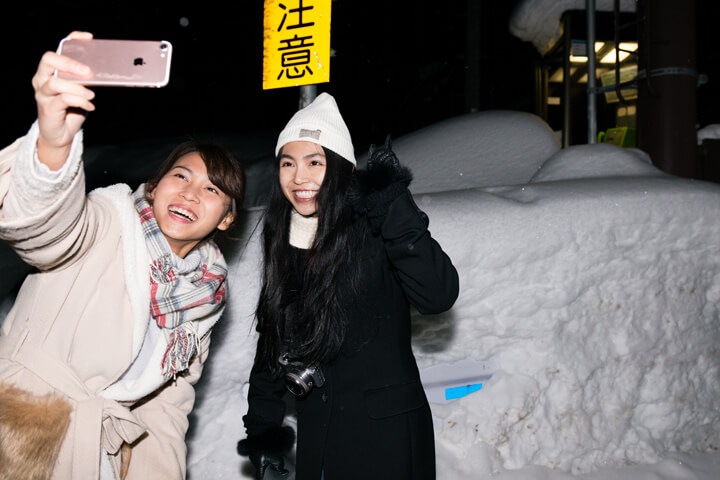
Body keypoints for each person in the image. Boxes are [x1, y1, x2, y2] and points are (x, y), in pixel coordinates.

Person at [0, 32, 246, 479]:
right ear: (155, 186)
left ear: (226, 218)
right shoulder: (108, 222)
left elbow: (167, 407)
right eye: (181, 176)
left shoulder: (203, 294)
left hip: (96, 460)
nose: (191, 193)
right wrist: (53, 149)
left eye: (213, 190)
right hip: (16, 434)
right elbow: (47, 230)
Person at [236, 92, 459, 479]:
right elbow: (272, 346)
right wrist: (264, 433)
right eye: (287, 163)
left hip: (386, 441)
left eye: (314, 162)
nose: (299, 177)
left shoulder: (373, 226)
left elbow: (438, 294)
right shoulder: (284, 239)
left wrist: (394, 204)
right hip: (319, 441)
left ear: (339, 167)